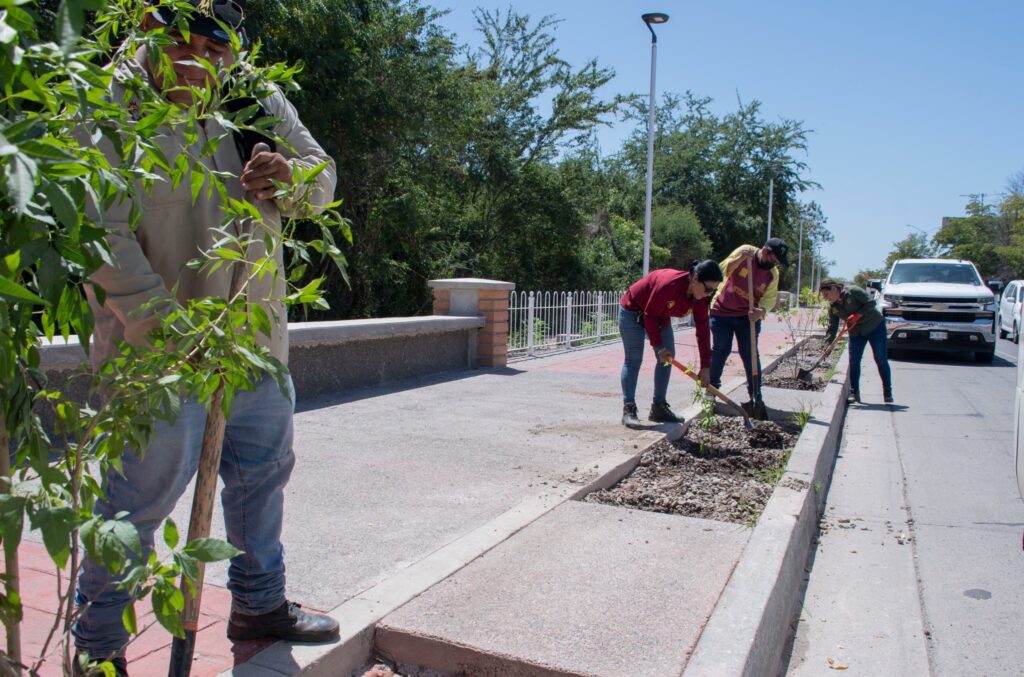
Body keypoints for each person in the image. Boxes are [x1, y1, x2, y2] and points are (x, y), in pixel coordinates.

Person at [73, 2, 339, 674]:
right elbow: (94, 230)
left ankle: (258, 602)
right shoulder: (108, 103)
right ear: (146, 30)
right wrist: (168, 327)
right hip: (156, 353)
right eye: (178, 38)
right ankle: (98, 647)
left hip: (254, 342)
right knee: (136, 500)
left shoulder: (253, 95)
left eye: (213, 44)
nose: (197, 57)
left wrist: (292, 176)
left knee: (261, 475)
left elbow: (322, 175)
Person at [618, 260, 724, 428]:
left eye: (714, 290)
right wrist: (659, 347)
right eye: (708, 289)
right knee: (634, 359)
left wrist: (705, 367)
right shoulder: (669, 285)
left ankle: (658, 407)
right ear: (695, 279)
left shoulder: (701, 300)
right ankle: (629, 409)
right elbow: (649, 315)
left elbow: (703, 332)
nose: (710, 294)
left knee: (668, 359)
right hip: (632, 312)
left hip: (659, 317)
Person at [708, 237, 789, 410]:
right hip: (722, 311)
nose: (774, 265)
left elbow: (769, 299)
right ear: (765, 251)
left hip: (748, 317)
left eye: (777, 263)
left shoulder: (772, 274)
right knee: (721, 349)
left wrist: (762, 312)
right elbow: (722, 270)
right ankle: (711, 392)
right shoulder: (746, 251)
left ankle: (755, 395)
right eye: (773, 260)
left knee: (750, 353)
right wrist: (739, 260)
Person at [819, 279, 893, 404]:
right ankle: (854, 393)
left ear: (833, 288)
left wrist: (858, 314)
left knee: (880, 358)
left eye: (826, 294)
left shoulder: (853, 291)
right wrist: (826, 345)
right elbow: (832, 328)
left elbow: (871, 303)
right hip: (856, 333)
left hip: (874, 327)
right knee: (854, 361)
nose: (825, 298)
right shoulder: (834, 308)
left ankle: (887, 391)